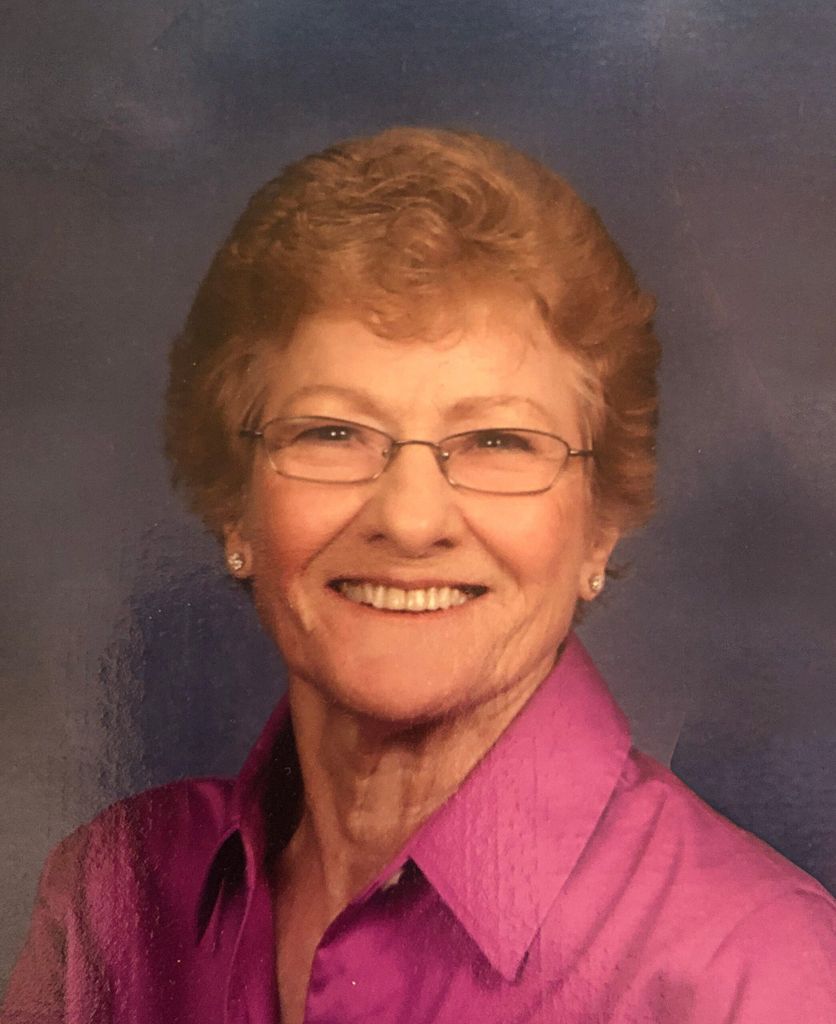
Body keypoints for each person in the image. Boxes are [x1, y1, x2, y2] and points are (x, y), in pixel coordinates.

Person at [2, 127, 834, 1024]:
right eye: (331, 433)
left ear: (599, 528)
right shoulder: (113, 895)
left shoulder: (754, 974)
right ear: (236, 508)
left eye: (497, 441)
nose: (408, 519)